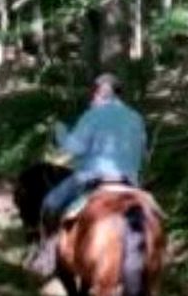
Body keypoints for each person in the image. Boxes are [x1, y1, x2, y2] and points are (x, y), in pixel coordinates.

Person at [29, 72, 148, 276]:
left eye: (94, 91)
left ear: (101, 92)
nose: (92, 96)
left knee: (49, 203)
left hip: (93, 177)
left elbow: (74, 148)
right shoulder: (136, 117)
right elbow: (142, 151)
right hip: (130, 182)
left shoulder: (92, 115)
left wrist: (60, 131)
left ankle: (47, 254)